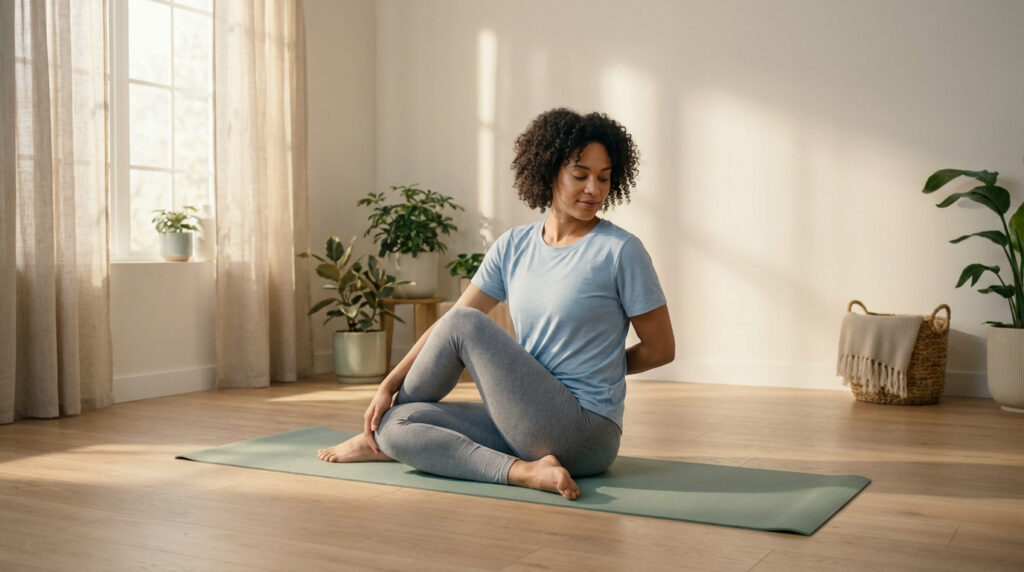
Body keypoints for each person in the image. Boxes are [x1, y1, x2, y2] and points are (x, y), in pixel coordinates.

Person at [317, 108, 675, 500]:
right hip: (526, 420)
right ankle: (524, 471)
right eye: (580, 175)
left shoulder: (621, 251)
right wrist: (387, 386)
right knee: (398, 423)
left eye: (603, 178)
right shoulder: (514, 246)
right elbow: (447, 327)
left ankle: (383, 445)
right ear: (548, 172)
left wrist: (600, 366)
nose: (593, 189)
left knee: (463, 323)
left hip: (586, 432)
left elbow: (661, 350)